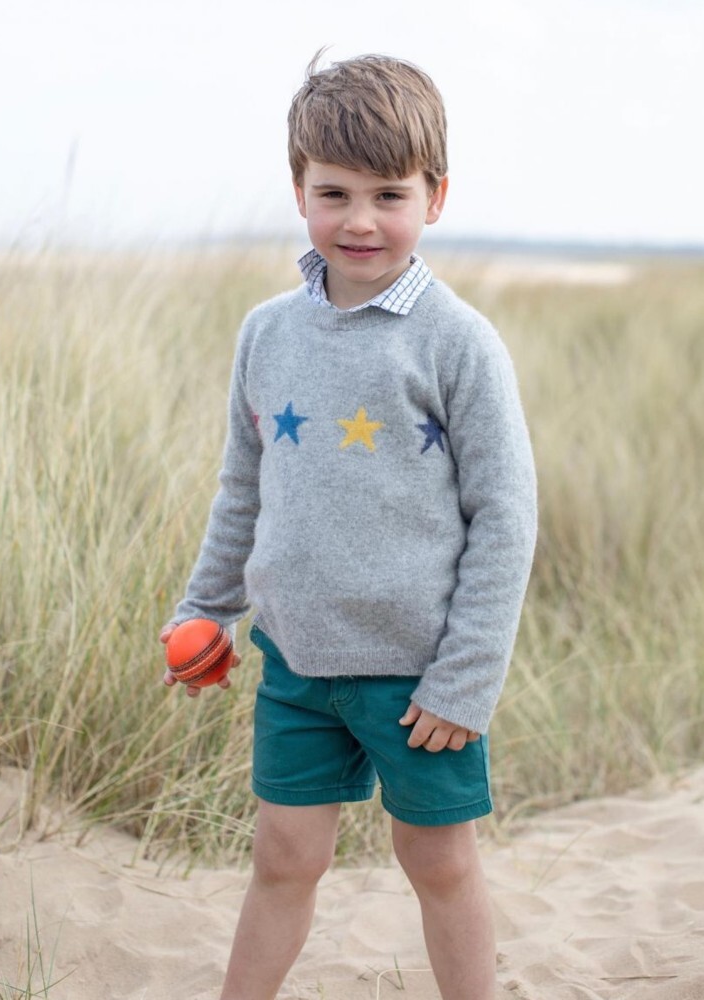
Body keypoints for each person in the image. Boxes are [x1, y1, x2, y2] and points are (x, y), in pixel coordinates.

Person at [160, 50, 537, 1000]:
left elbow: (505, 519)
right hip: (296, 662)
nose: (360, 221)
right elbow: (241, 488)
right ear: (299, 191)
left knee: (438, 861)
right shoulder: (267, 333)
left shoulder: (458, 343)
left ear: (435, 197)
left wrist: (465, 681)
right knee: (284, 857)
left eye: (389, 195)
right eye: (334, 193)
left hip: (420, 677)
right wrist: (205, 608)